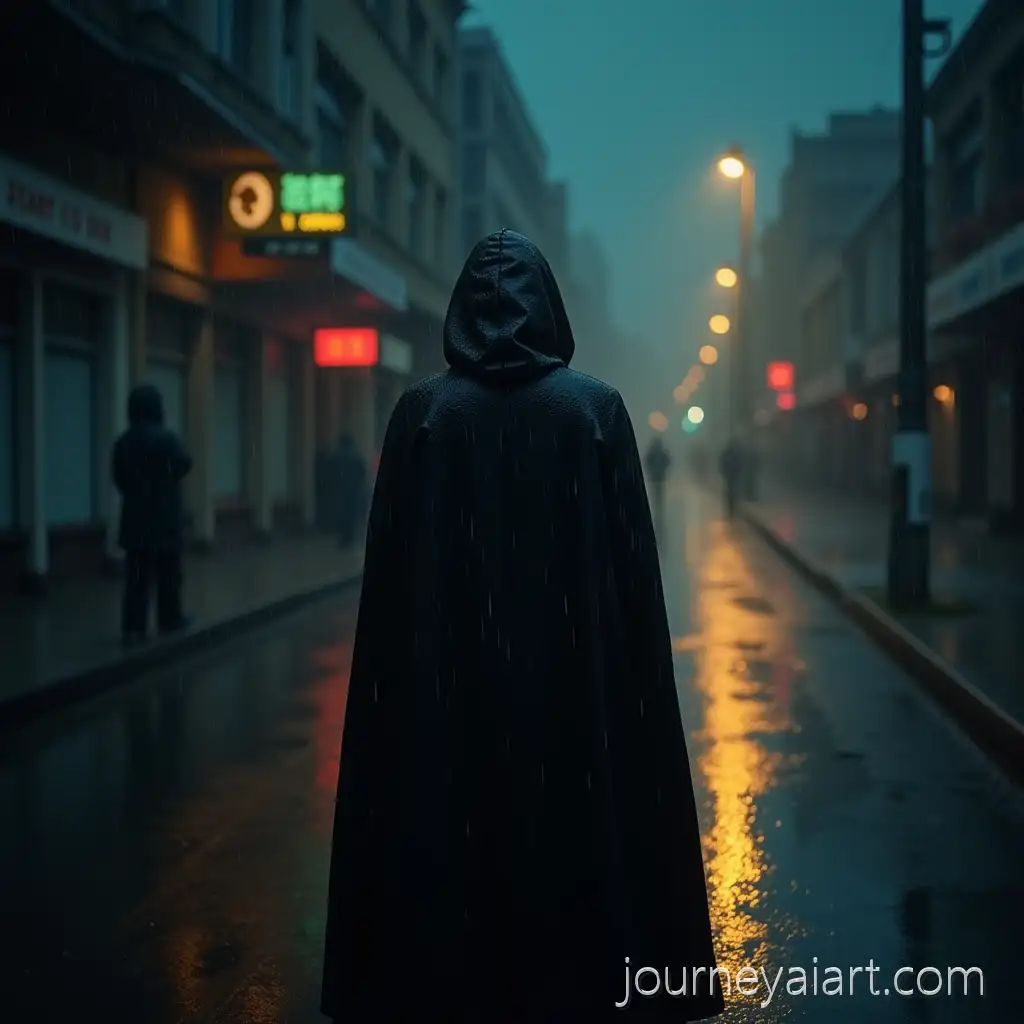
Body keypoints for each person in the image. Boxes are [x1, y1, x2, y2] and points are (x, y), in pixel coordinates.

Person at [321, 230, 724, 1022]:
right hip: (574, 690)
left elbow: (389, 587)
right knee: (574, 851)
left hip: (451, 685)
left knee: (455, 848)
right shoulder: (595, 411)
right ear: (550, 305)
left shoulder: (422, 414)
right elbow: (635, 585)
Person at [112, 383, 192, 646]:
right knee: (168, 575)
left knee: (136, 579)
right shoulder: (167, 439)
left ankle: (133, 629)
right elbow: (184, 464)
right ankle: (170, 619)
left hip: (135, 521)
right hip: (164, 520)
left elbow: (119, 478)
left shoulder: (123, 442)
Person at [335, 433, 368, 547]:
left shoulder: (338, 457)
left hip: (342, 490)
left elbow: (333, 474)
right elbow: (362, 472)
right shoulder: (356, 456)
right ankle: (350, 537)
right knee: (352, 514)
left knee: (342, 514)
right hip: (354, 490)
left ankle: (344, 538)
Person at [644, 435, 671, 517]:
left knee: (658, 490)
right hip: (656, 475)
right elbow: (648, 462)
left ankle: (658, 505)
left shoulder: (658, 453)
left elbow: (667, 461)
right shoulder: (655, 453)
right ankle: (657, 504)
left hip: (658, 476)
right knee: (657, 490)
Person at [719, 437, 743, 519]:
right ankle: (732, 505)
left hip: (731, 474)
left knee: (730, 489)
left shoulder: (728, 453)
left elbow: (723, 462)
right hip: (732, 474)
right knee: (732, 489)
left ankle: (731, 505)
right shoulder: (735, 454)